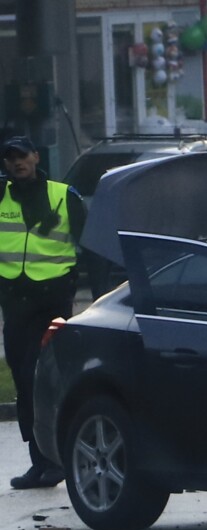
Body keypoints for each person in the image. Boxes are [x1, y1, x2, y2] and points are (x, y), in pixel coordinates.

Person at [0, 135, 87, 489]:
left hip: (53, 303)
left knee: (44, 379)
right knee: (24, 381)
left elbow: (90, 248)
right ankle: (40, 461)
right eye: (10, 158)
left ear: (36, 157)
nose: (17, 162)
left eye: (22, 156)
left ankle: (57, 460)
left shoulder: (63, 196)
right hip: (16, 304)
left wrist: (94, 299)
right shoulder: (1, 196)